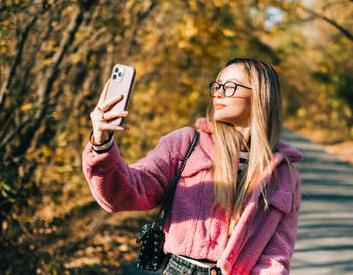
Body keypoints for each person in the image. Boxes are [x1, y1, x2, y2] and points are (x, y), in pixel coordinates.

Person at [82, 58, 303, 275]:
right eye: (217, 86)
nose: (218, 93)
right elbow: (125, 192)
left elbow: (275, 258)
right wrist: (102, 144)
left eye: (229, 87)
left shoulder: (283, 175)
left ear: (259, 95)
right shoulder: (186, 144)